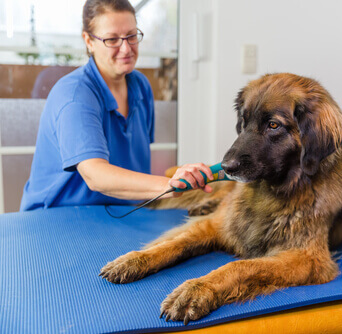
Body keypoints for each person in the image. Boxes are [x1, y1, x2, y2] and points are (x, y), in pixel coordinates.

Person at [20, 0, 212, 211]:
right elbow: (96, 176)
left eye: (131, 35)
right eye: (112, 39)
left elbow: (134, 164)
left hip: (120, 213)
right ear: (88, 41)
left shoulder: (140, 86)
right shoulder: (75, 95)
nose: (126, 48)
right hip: (57, 217)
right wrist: (168, 185)